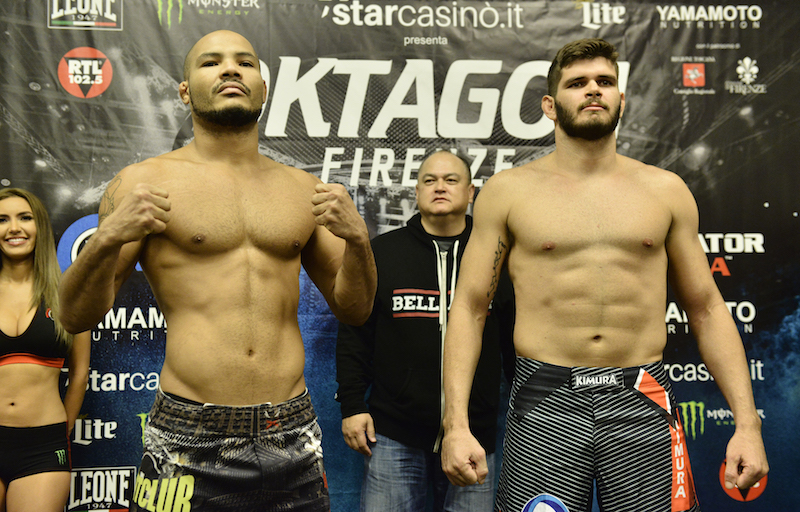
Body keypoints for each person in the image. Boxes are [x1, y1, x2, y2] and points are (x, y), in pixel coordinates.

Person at [440, 38, 768, 512]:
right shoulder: (507, 192)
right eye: (577, 83)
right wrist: (456, 424)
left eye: (604, 82)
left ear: (621, 100)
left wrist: (747, 424)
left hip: (644, 394)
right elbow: (469, 309)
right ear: (550, 106)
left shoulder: (665, 191)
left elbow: (708, 309)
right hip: (544, 397)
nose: (593, 90)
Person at [58, 30, 377, 511]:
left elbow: (356, 309)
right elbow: (75, 316)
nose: (230, 69)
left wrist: (358, 241)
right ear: (185, 91)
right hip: (187, 434)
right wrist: (106, 238)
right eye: (211, 62)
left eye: (245, 62)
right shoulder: (144, 183)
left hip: (290, 431)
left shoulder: (303, 189)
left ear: (263, 88)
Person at [336, 150, 513, 511]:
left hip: (475, 435)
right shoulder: (382, 253)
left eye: (451, 180)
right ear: (416, 192)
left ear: (472, 193)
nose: (440, 188)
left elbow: (513, 343)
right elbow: (355, 333)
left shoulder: (496, 260)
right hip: (394, 435)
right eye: (429, 180)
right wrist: (352, 405)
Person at [0, 187, 91, 512]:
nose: (14, 228)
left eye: (24, 218)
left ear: (39, 225)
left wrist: (58, 434)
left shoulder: (67, 292)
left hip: (43, 446)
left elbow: (80, 373)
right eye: (2, 220)